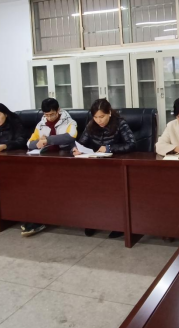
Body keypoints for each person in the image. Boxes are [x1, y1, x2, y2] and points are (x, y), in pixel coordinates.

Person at [72, 98, 135, 238]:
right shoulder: (91, 125)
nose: (98, 120)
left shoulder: (120, 124)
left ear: (109, 113)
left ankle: (118, 224)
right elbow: (81, 143)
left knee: (112, 191)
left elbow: (131, 144)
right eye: (95, 117)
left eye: (102, 117)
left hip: (116, 167)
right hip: (96, 166)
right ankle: (92, 221)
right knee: (88, 188)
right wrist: (76, 150)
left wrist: (109, 148)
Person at [21, 98, 78, 237]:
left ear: (58, 110)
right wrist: (37, 144)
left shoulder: (69, 121)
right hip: (46, 160)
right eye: (46, 114)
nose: (49, 117)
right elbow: (29, 143)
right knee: (34, 184)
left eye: (52, 114)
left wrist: (48, 140)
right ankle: (36, 218)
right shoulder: (41, 124)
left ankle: (41, 219)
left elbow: (71, 136)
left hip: (65, 160)